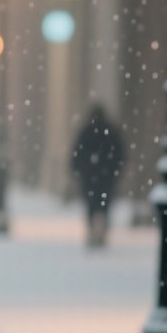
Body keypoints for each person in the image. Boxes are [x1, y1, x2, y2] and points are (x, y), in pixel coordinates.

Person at [71, 105, 125, 248]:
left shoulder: (87, 131)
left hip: (89, 176)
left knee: (91, 204)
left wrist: (77, 170)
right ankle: (101, 231)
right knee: (104, 205)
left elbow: (77, 153)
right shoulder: (111, 131)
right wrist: (115, 171)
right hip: (106, 176)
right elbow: (119, 154)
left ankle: (92, 231)